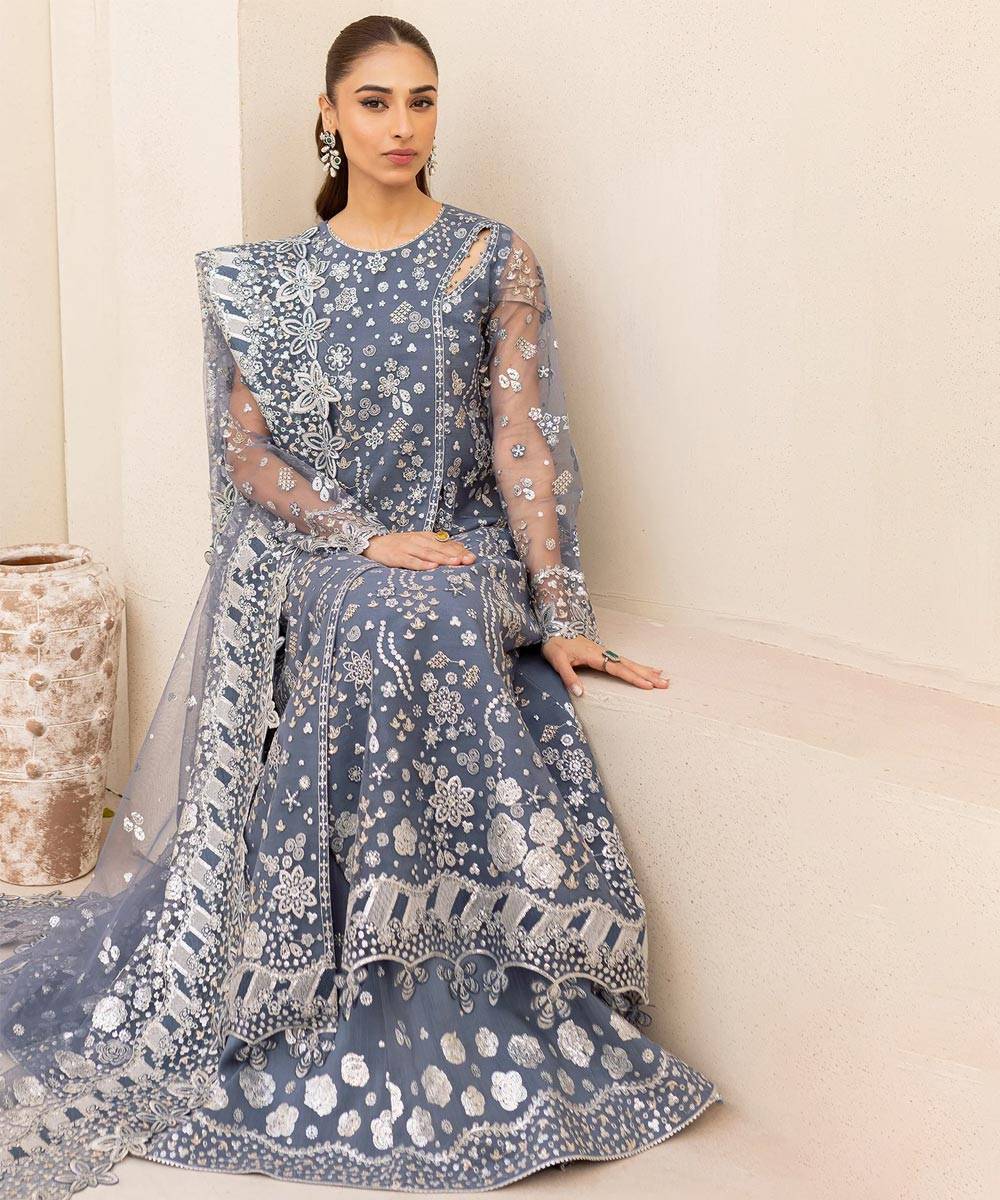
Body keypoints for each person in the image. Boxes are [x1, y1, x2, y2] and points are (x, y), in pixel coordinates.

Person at [0, 15, 721, 1196]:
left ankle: (471, 976)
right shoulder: (270, 282)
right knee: (380, 611)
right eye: (376, 101)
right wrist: (358, 536)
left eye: (422, 100)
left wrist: (561, 610)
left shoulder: (490, 258)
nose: (402, 125)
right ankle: (343, 984)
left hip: (461, 544)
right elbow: (250, 456)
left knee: (418, 611)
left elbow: (521, 439)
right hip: (327, 552)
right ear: (329, 115)